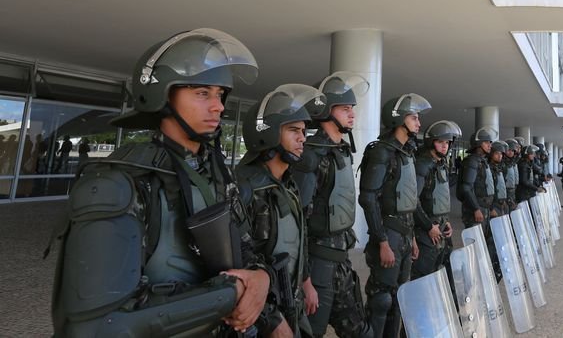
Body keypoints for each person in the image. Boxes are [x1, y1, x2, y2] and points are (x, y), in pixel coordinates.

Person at [50, 28, 270, 336]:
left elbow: (244, 249)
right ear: (163, 96)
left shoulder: (218, 172)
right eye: (202, 93)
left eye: (220, 94)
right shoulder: (119, 183)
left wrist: (261, 278)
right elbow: (100, 325)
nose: (218, 106)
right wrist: (231, 294)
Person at [237, 84, 324, 336]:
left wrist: (306, 283)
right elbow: (238, 264)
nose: (302, 138)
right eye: (293, 130)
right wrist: (271, 321)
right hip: (259, 317)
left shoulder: (288, 184)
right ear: (268, 133)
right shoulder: (244, 189)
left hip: (291, 302)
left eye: (304, 131)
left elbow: (299, 239)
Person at [291, 72, 372, 338]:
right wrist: (305, 281)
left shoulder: (341, 151)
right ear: (325, 110)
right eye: (344, 109)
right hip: (318, 266)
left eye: (352, 109)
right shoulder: (312, 156)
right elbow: (297, 222)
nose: (352, 115)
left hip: (342, 263)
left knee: (361, 331)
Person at [359, 93, 430, 338]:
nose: (418, 123)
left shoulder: (406, 153)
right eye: (414, 117)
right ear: (398, 119)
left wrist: (411, 238)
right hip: (387, 234)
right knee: (381, 300)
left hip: (403, 236)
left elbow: (409, 202)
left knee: (400, 298)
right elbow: (368, 199)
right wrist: (381, 241)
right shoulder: (382, 152)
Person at [411, 120, 461, 281]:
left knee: (445, 273)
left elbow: (440, 197)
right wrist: (428, 226)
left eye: (447, 142)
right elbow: (413, 200)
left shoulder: (440, 164)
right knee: (424, 278)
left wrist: (445, 221)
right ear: (431, 142)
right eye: (440, 142)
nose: (444, 146)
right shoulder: (422, 165)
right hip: (425, 231)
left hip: (440, 227)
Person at [488, 141, 509, 218]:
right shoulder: (489, 169)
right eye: (497, 153)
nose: (500, 156)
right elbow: (488, 191)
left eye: (501, 154)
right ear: (491, 154)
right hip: (494, 205)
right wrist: (491, 208)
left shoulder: (499, 168)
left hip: (501, 203)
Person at [502, 138, 520, 211]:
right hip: (505, 193)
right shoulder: (502, 163)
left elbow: (517, 158)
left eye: (513, 151)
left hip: (512, 192)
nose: (511, 152)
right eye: (509, 150)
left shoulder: (512, 162)